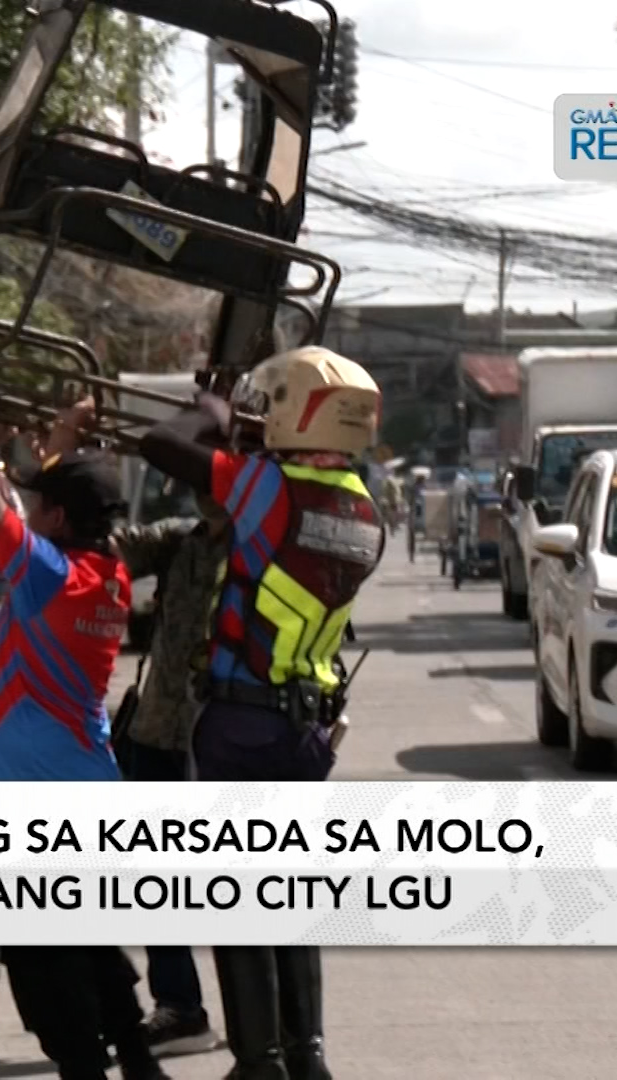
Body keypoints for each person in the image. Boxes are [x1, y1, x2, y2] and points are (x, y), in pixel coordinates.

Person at [138, 346, 387, 1080]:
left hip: (240, 725)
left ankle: (259, 1061)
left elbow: (159, 448)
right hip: (306, 730)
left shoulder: (267, 490)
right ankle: (307, 1055)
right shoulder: (361, 504)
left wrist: (210, 411)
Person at [0, 382, 166, 1080]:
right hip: (86, 793)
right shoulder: (107, 572)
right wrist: (67, 439)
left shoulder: (49, 577)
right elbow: (37, 504)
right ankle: (141, 1064)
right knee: (89, 945)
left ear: (57, 518)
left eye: (42, 503)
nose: (28, 507)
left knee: (45, 971)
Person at [41, 399, 223, 1059]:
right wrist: (66, 462)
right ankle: (181, 1005)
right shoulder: (185, 539)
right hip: (155, 729)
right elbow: (92, 539)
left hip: (210, 738)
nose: (204, 491)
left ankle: (209, 1014)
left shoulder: (257, 545)